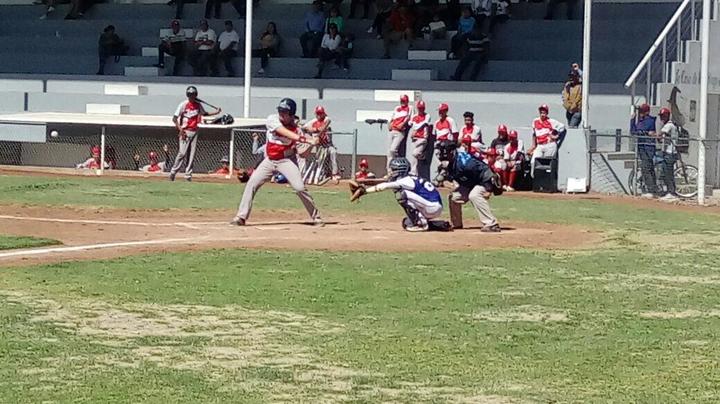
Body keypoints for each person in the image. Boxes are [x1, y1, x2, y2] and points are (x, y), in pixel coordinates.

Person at [230, 98, 323, 226]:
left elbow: (303, 154)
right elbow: (283, 132)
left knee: (299, 188)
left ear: (291, 115)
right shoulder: (272, 119)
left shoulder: (297, 129)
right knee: (251, 184)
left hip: (286, 160)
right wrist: (305, 139)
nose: (281, 114)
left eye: (285, 112)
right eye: (280, 110)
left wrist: (313, 142)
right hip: (269, 160)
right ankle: (241, 217)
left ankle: (316, 217)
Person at [351, 158, 451, 232]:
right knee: (406, 222)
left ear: (399, 170)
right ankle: (437, 225)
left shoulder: (406, 180)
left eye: (393, 170)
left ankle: (421, 224)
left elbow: (385, 186)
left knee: (401, 194)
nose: (391, 172)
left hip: (432, 206)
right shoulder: (410, 178)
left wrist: (365, 192)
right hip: (432, 205)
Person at [436, 139, 503, 232]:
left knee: (474, 195)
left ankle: (491, 224)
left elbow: (485, 172)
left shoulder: (466, 163)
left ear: (451, 151)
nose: (441, 154)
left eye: (443, 151)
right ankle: (456, 224)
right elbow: (450, 178)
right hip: (470, 183)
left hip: (484, 180)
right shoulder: (450, 162)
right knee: (454, 197)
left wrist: (489, 189)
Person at [169, 86, 222, 182]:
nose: (191, 97)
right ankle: (173, 172)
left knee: (191, 155)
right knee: (182, 153)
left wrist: (216, 112)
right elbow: (174, 119)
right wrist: (180, 130)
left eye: (193, 95)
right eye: (190, 95)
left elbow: (204, 114)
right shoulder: (183, 105)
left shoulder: (198, 105)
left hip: (194, 131)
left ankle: (188, 175)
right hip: (185, 131)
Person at [303, 106, 341, 183]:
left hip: (328, 144)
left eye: (321, 113)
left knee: (333, 152)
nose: (319, 115)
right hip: (319, 145)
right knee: (319, 161)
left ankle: (335, 174)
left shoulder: (326, 119)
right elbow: (303, 127)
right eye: (318, 113)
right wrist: (314, 130)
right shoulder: (314, 121)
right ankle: (317, 176)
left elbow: (324, 126)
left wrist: (317, 130)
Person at [529, 104, 565, 177]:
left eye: (544, 112)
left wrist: (556, 136)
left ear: (547, 113)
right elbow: (534, 134)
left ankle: (547, 181)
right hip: (540, 145)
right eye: (541, 112)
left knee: (547, 164)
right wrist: (533, 146)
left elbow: (562, 127)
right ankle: (535, 180)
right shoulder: (535, 121)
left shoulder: (551, 121)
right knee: (533, 162)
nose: (542, 114)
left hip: (549, 144)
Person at [630, 103, 658, 198]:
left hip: (648, 148)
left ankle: (651, 190)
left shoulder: (650, 120)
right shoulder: (640, 121)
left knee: (646, 168)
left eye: (642, 112)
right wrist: (632, 120)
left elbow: (641, 131)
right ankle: (653, 189)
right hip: (642, 148)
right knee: (647, 168)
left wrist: (643, 132)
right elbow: (633, 131)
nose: (640, 114)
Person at [657, 107, 679, 201]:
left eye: (663, 116)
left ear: (667, 116)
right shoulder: (671, 125)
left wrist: (653, 135)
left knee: (668, 173)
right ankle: (670, 191)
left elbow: (660, 134)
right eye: (661, 116)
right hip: (669, 152)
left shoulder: (669, 125)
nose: (662, 118)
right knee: (666, 172)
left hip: (670, 152)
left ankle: (671, 192)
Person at [387, 94, 412, 173]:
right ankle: (389, 171)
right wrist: (389, 124)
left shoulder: (410, 108)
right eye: (401, 101)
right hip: (392, 130)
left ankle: (397, 167)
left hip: (400, 132)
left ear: (407, 101)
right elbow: (391, 118)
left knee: (393, 150)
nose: (402, 102)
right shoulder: (397, 108)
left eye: (404, 101)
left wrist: (403, 124)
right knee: (389, 152)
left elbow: (409, 119)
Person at [408, 100, 431, 177]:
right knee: (413, 157)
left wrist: (415, 130)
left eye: (422, 108)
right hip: (414, 139)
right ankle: (414, 173)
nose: (421, 109)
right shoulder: (414, 116)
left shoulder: (427, 115)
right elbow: (409, 123)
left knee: (415, 154)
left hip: (422, 139)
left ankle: (414, 172)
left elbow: (424, 123)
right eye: (419, 108)